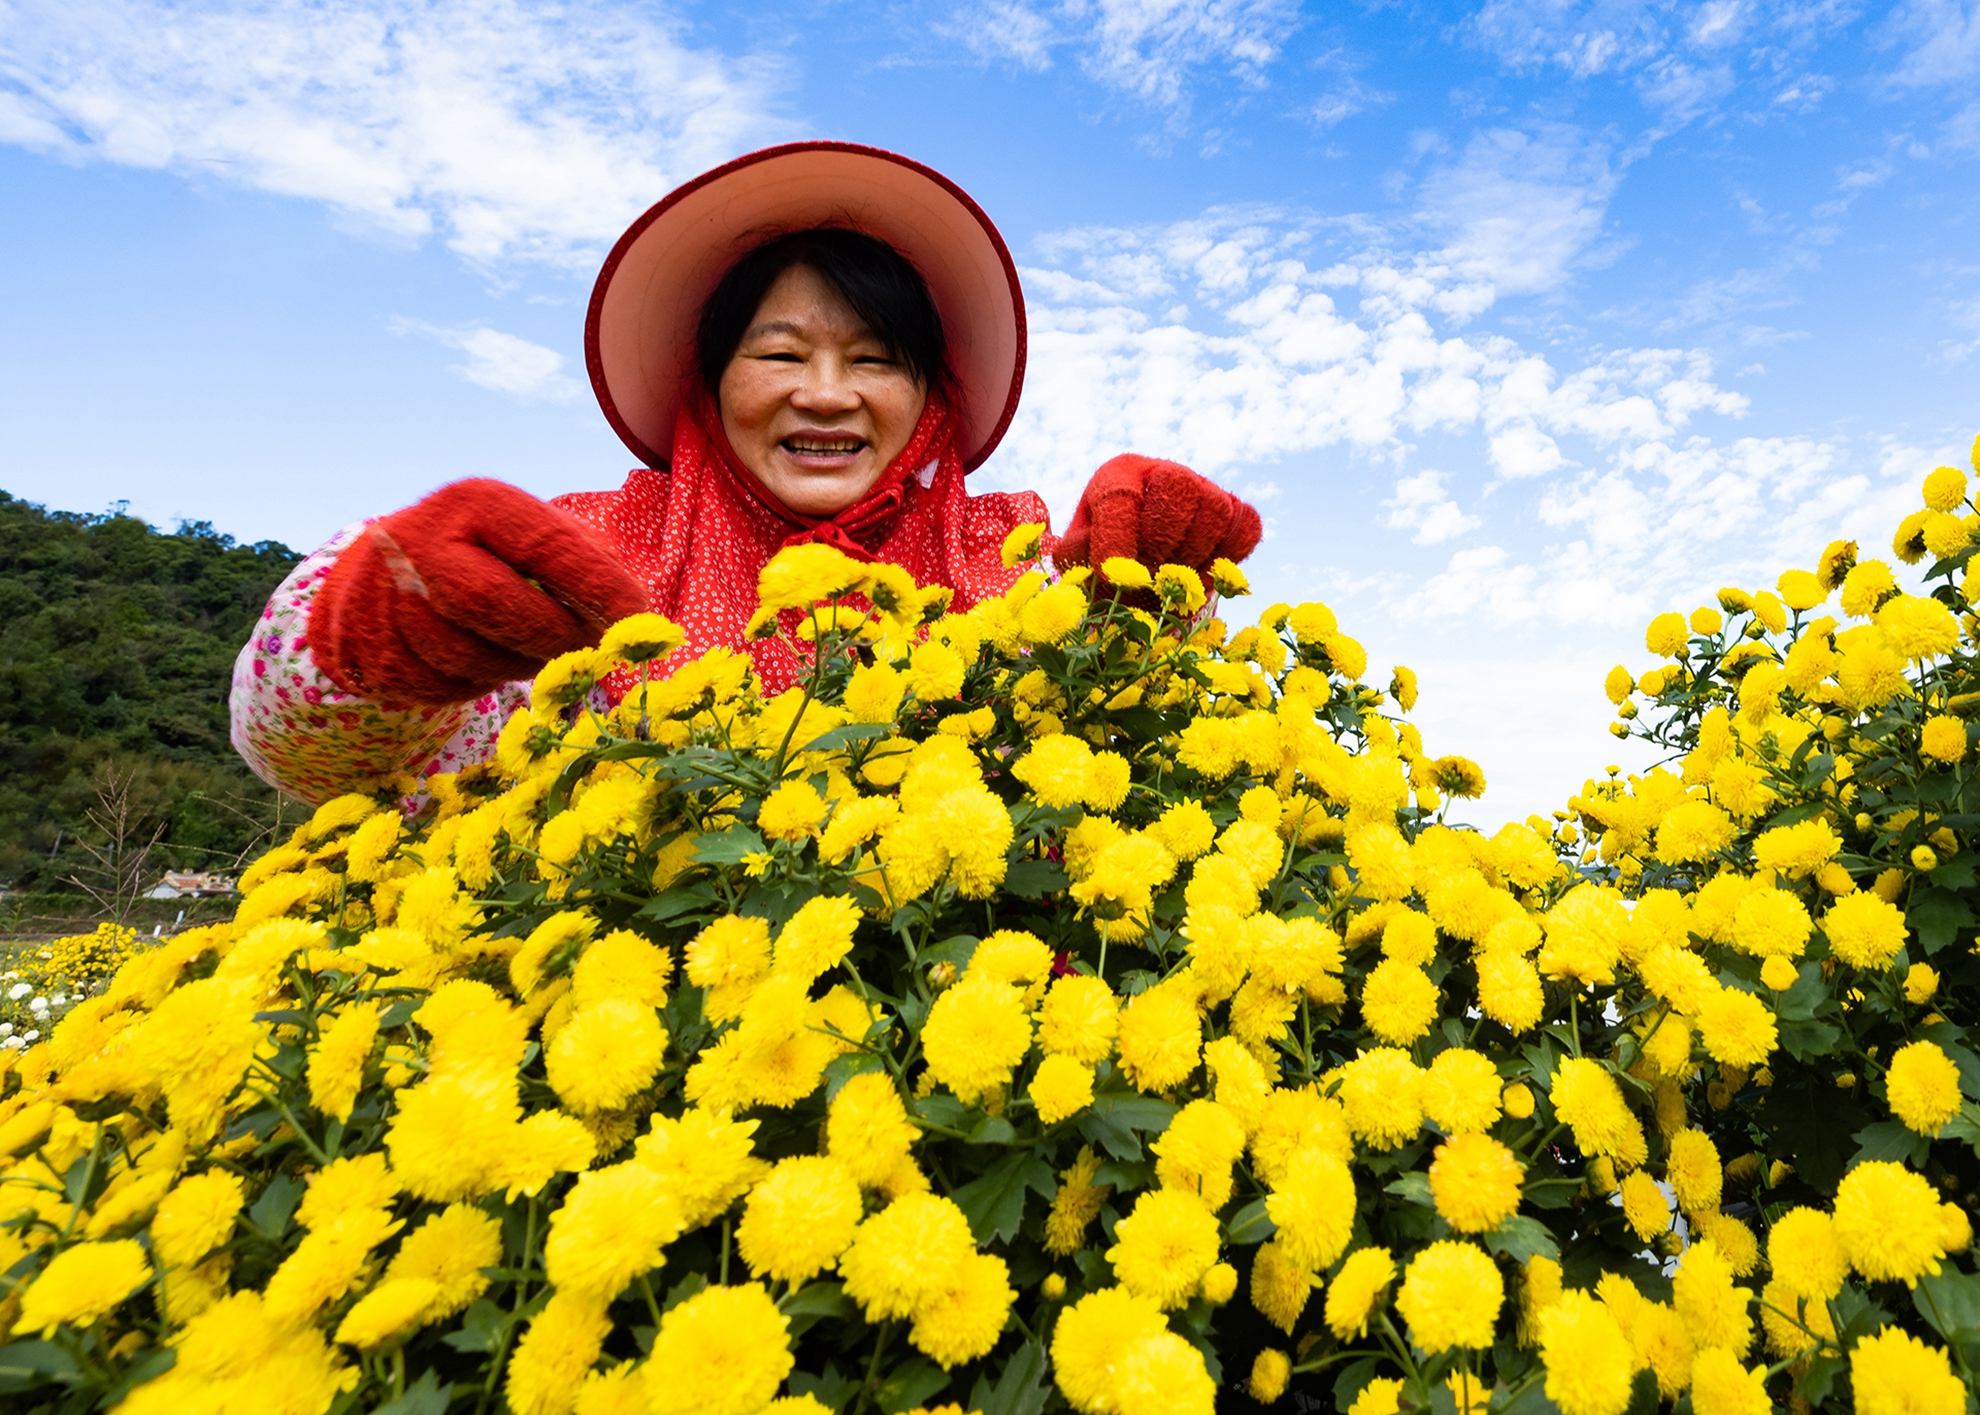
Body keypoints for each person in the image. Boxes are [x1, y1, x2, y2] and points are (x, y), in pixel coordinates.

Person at [230, 143, 1262, 804]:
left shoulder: (1017, 564)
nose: (826, 393)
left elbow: (1160, 738)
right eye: (779, 353)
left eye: (872, 359)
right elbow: (313, 758)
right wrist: (372, 630)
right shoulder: (582, 551)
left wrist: (1156, 597)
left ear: (931, 395)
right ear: (708, 382)